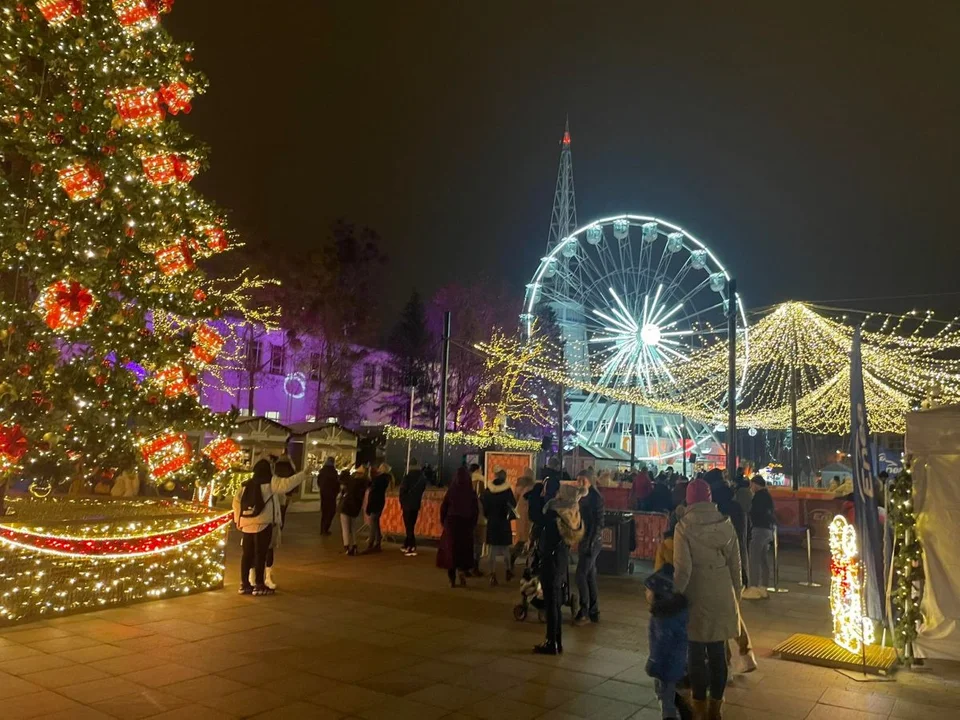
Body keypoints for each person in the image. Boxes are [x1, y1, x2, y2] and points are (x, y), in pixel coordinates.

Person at [673, 478, 742, 719]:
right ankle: (716, 707)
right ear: (710, 499)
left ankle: (699, 705)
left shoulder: (683, 527)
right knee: (717, 654)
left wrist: (673, 597)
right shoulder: (726, 525)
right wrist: (737, 594)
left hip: (696, 595)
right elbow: (736, 565)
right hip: (722, 592)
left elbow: (684, 570)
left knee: (695, 654)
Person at [233, 454, 307, 595]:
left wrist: (239, 521)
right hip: (264, 524)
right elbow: (288, 483)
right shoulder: (271, 483)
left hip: (247, 524)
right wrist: (304, 474)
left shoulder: (245, 485)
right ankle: (259, 584)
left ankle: (245, 584)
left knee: (247, 555)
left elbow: (236, 503)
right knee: (261, 554)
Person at [534, 481, 586, 655]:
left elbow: (537, 519)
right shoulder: (571, 514)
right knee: (555, 602)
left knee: (551, 603)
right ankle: (556, 641)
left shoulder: (554, 514)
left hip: (551, 560)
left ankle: (551, 642)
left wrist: (538, 494)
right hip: (561, 560)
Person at [645, 565, 689, 720]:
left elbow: (661, 644)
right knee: (671, 694)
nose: (646, 593)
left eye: (649, 590)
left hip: (666, 666)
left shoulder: (662, 617)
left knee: (665, 697)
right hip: (678, 663)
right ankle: (684, 712)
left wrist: (653, 663)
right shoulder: (677, 611)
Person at [437, 466, 479, 587]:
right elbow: (475, 510)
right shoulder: (470, 492)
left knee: (451, 552)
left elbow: (443, 507)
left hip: (451, 524)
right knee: (463, 551)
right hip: (465, 525)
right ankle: (462, 572)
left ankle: (452, 579)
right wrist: (472, 524)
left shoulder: (452, 490)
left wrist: (443, 522)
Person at [574, 469, 604, 625]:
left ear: (590, 481)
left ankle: (584, 610)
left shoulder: (594, 498)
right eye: (578, 480)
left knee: (580, 574)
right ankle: (594, 610)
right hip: (585, 539)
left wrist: (591, 542)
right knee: (590, 575)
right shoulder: (582, 497)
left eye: (583, 481)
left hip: (591, 541)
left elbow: (598, 522)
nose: (579, 484)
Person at [742, 476, 776, 599]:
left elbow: (755, 512)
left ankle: (754, 587)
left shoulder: (758, 497)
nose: (751, 487)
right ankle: (764, 585)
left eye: (752, 485)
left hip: (759, 529)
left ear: (756, 484)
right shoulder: (767, 496)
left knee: (754, 558)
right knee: (763, 559)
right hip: (767, 529)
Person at [481, 468, 517, 585]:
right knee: (505, 548)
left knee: (492, 550)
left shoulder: (488, 489)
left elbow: (483, 504)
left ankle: (492, 575)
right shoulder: (507, 490)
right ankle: (508, 570)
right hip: (503, 522)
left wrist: (488, 515)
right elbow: (513, 505)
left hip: (492, 521)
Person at [339, 465, 370, 556]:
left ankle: (347, 547)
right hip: (356, 506)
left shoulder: (352, 481)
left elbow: (342, 477)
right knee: (353, 527)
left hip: (346, 505)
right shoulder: (365, 482)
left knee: (345, 527)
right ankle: (355, 546)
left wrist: (348, 468)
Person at [399, 459, 426, 556]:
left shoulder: (407, 477)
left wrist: (402, 501)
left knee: (408, 525)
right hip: (416, 503)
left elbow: (402, 490)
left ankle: (411, 545)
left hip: (407, 504)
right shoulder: (422, 477)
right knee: (411, 525)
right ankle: (407, 544)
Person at [363, 462, 391, 553]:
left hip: (375, 503)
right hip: (380, 502)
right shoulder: (385, 479)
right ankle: (377, 543)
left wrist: (368, 507)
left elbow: (372, 491)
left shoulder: (378, 480)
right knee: (376, 523)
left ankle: (371, 543)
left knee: (373, 523)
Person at [513, 468, 536, 559]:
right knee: (529, 533)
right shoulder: (533, 486)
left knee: (520, 534)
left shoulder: (519, 485)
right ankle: (524, 554)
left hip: (520, 512)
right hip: (530, 512)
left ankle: (516, 554)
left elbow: (514, 499)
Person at [469, 463, 486, 576]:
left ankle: (466, 567)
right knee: (478, 543)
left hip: (468, 518)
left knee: (470, 542)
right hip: (479, 517)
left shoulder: (466, 483)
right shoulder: (480, 482)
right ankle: (475, 566)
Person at [317, 457, 340, 536]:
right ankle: (325, 528)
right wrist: (337, 491)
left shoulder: (322, 471)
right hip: (331, 495)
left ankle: (322, 529)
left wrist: (322, 488)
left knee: (324, 511)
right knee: (331, 511)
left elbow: (319, 482)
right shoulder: (333, 472)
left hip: (323, 493)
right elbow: (337, 484)